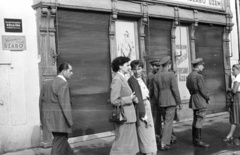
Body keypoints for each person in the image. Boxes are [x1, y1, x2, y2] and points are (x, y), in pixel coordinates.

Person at [39, 62, 74, 155]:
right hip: (60, 121)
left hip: (49, 120)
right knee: (58, 144)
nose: (72, 73)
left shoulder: (47, 83)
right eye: (70, 71)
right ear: (63, 71)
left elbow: (41, 103)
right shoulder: (63, 84)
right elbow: (65, 104)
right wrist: (70, 121)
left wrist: (42, 120)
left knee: (62, 143)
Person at [109, 56, 139, 155]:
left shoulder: (122, 78)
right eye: (127, 65)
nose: (129, 67)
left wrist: (132, 99)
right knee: (121, 143)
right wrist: (129, 99)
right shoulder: (117, 79)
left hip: (128, 116)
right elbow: (114, 100)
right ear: (120, 66)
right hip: (124, 117)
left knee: (128, 144)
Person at [128, 60, 157, 155]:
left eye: (139, 69)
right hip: (141, 107)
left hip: (146, 104)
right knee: (144, 130)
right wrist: (142, 113)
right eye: (134, 69)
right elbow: (136, 97)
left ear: (142, 69)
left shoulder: (142, 78)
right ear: (131, 70)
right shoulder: (132, 80)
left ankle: (152, 150)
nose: (137, 71)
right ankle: (147, 151)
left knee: (150, 129)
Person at [153, 56, 182, 151]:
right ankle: (164, 143)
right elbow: (175, 90)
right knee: (168, 122)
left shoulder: (156, 76)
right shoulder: (170, 75)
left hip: (161, 102)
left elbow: (156, 92)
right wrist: (179, 102)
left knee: (166, 122)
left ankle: (170, 138)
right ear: (169, 65)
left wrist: (159, 101)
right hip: (170, 101)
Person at [186, 58, 210, 148]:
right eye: (202, 65)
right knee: (200, 119)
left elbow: (188, 87)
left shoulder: (189, 75)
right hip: (200, 99)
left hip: (193, 98)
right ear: (198, 66)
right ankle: (198, 141)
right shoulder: (199, 76)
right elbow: (203, 89)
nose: (203, 67)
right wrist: (207, 97)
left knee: (195, 119)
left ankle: (195, 139)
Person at [223, 64, 240, 142]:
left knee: (235, 116)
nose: (232, 71)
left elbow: (234, 91)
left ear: (238, 70)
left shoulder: (237, 78)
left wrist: (229, 89)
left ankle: (230, 135)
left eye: (234, 70)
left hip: (237, 98)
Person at [146, 59, 162, 143]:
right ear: (152, 67)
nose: (158, 67)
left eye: (159, 66)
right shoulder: (152, 75)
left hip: (156, 100)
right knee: (156, 119)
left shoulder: (154, 74)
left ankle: (158, 135)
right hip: (154, 100)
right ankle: (157, 136)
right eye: (156, 66)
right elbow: (150, 89)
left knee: (157, 119)